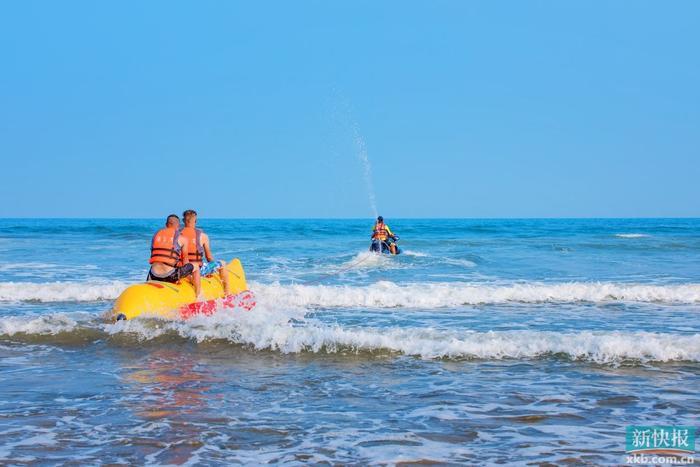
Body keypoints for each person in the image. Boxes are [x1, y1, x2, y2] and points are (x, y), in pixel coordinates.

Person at [179, 209, 231, 296]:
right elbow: (209, 257)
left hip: (181, 269)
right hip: (197, 270)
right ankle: (227, 293)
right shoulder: (203, 236)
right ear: (195, 221)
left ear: (183, 221)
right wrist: (211, 271)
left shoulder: (177, 235)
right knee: (222, 263)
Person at [148, 214, 202, 296]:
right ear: (178, 226)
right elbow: (186, 263)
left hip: (153, 275)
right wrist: (189, 279)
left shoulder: (155, 235)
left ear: (166, 224)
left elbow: (154, 255)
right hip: (170, 276)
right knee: (196, 266)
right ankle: (197, 295)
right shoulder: (182, 238)